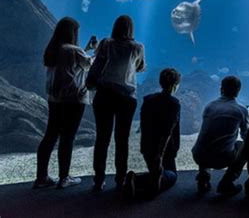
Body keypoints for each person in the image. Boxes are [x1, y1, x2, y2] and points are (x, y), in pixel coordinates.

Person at [34, 17, 94, 189]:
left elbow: (71, 64)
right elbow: (88, 64)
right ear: (73, 32)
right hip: (73, 100)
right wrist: (95, 52)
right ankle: (64, 177)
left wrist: (86, 49)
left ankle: (41, 177)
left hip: (55, 99)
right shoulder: (74, 50)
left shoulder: (53, 49)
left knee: (50, 136)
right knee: (68, 138)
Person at [90, 15, 146, 191]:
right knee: (122, 140)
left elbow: (97, 63)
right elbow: (140, 67)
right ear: (131, 29)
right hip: (126, 97)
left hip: (104, 94)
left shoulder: (106, 43)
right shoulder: (137, 47)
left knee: (102, 138)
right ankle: (120, 178)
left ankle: (99, 178)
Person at [192, 76, 249, 195]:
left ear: (221, 89)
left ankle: (204, 175)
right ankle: (227, 183)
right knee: (245, 146)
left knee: (207, 139)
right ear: (238, 90)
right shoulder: (241, 110)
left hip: (198, 155)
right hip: (221, 159)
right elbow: (247, 137)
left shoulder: (209, 106)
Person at [124, 68, 181, 199]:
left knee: (157, 173)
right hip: (164, 151)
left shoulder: (148, 100)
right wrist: (160, 155)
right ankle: (138, 180)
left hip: (147, 147)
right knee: (172, 175)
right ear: (175, 85)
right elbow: (167, 132)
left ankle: (138, 180)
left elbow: (144, 124)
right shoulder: (174, 103)